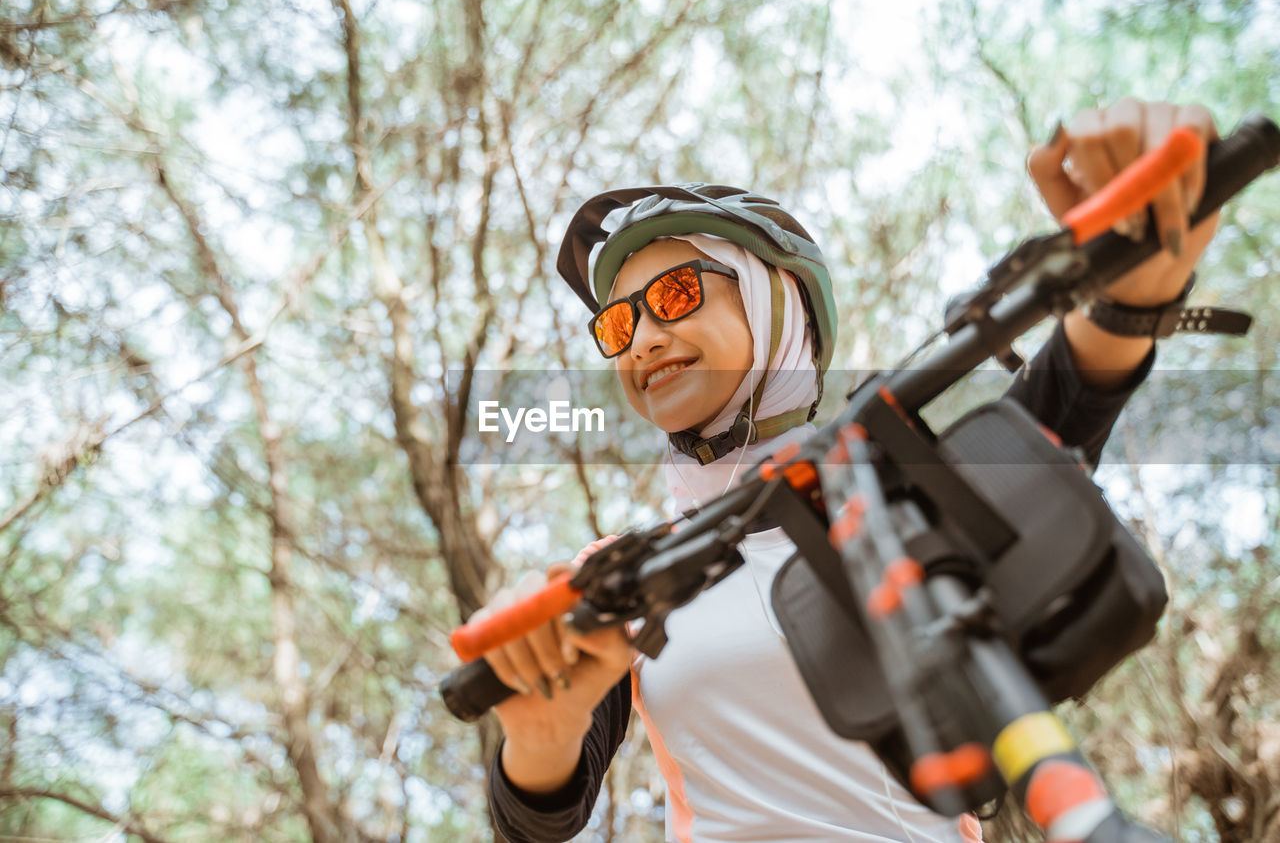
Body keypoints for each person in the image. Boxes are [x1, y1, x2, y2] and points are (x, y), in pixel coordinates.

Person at [469, 99, 1222, 842]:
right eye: (619, 323)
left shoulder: (899, 495)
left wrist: (1133, 282)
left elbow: (1063, 403)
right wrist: (540, 740)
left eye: (674, 294)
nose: (641, 340)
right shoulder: (624, 575)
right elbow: (537, 815)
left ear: (777, 305)